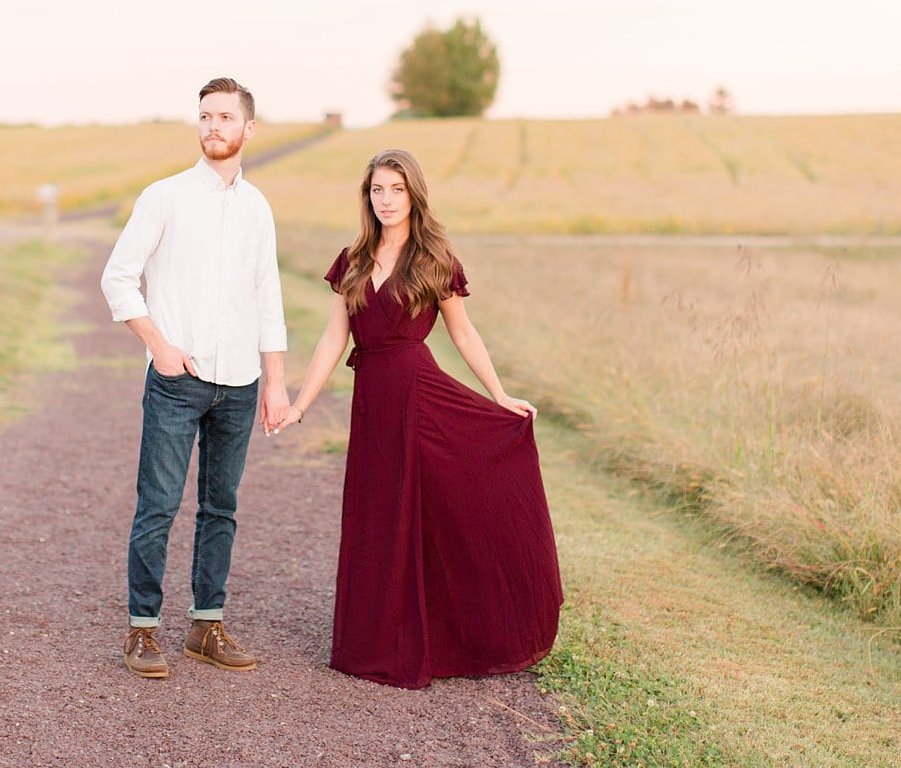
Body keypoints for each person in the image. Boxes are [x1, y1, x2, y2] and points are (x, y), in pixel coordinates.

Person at [270, 148, 563, 689]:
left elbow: (463, 333)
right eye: (378, 190)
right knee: (376, 514)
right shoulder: (354, 259)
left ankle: (461, 629)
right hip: (373, 402)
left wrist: (498, 395)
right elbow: (335, 337)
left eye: (397, 190)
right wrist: (300, 403)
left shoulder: (434, 260)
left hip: (420, 395)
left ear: (414, 195)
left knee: (438, 509)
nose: (386, 200)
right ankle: (371, 642)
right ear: (368, 196)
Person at [100, 77, 289, 680]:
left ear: (247, 129)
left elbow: (268, 296)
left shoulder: (258, 208)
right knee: (157, 505)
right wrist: (159, 347)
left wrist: (275, 382)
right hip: (177, 379)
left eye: (225, 117)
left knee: (221, 507)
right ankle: (143, 631)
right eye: (205, 116)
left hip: (239, 383)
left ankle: (206, 626)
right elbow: (118, 278)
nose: (213, 126)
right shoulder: (165, 197)